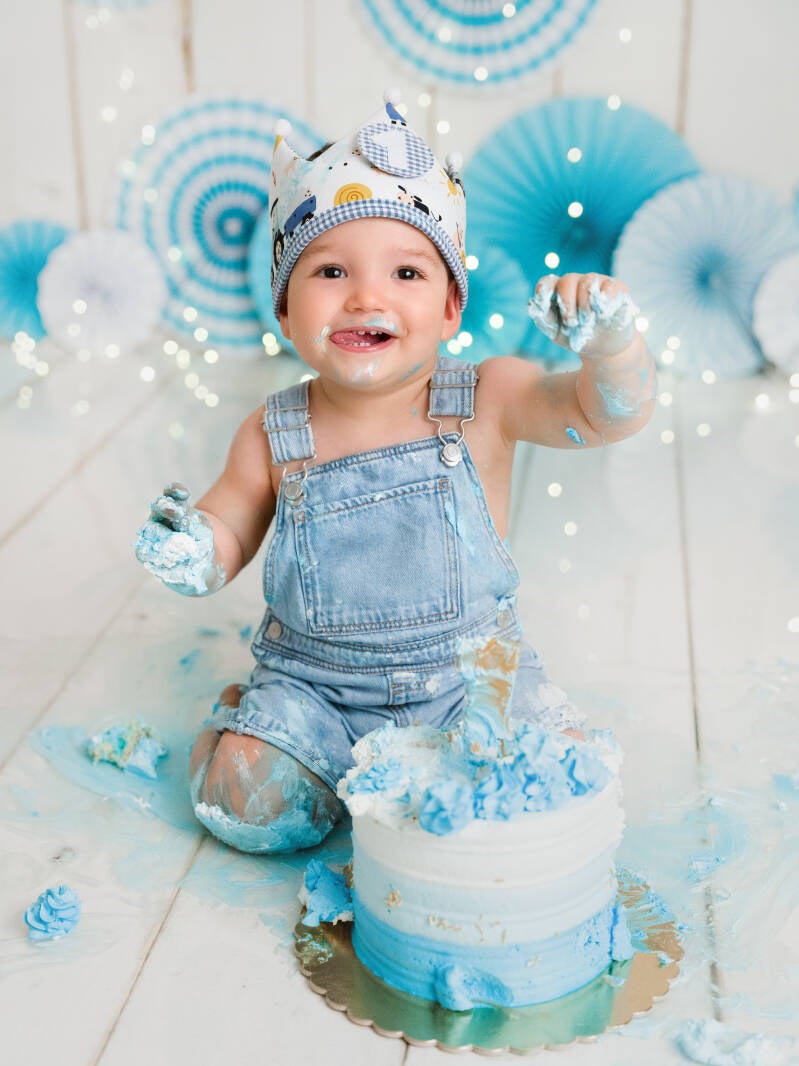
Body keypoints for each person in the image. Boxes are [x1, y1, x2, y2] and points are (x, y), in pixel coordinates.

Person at [134, 92, 657, 855]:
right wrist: (191, 549)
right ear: (285, 311)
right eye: (330, 270)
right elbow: (229, 527)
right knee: (248, 806)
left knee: (557, 787)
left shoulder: (489, 398)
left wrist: (611, 349)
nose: (366, 296)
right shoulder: (274, 430)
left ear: (450, 308)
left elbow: (605, 416)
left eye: (406, 271)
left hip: (468, 682)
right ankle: (242, 721)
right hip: (315, 688)